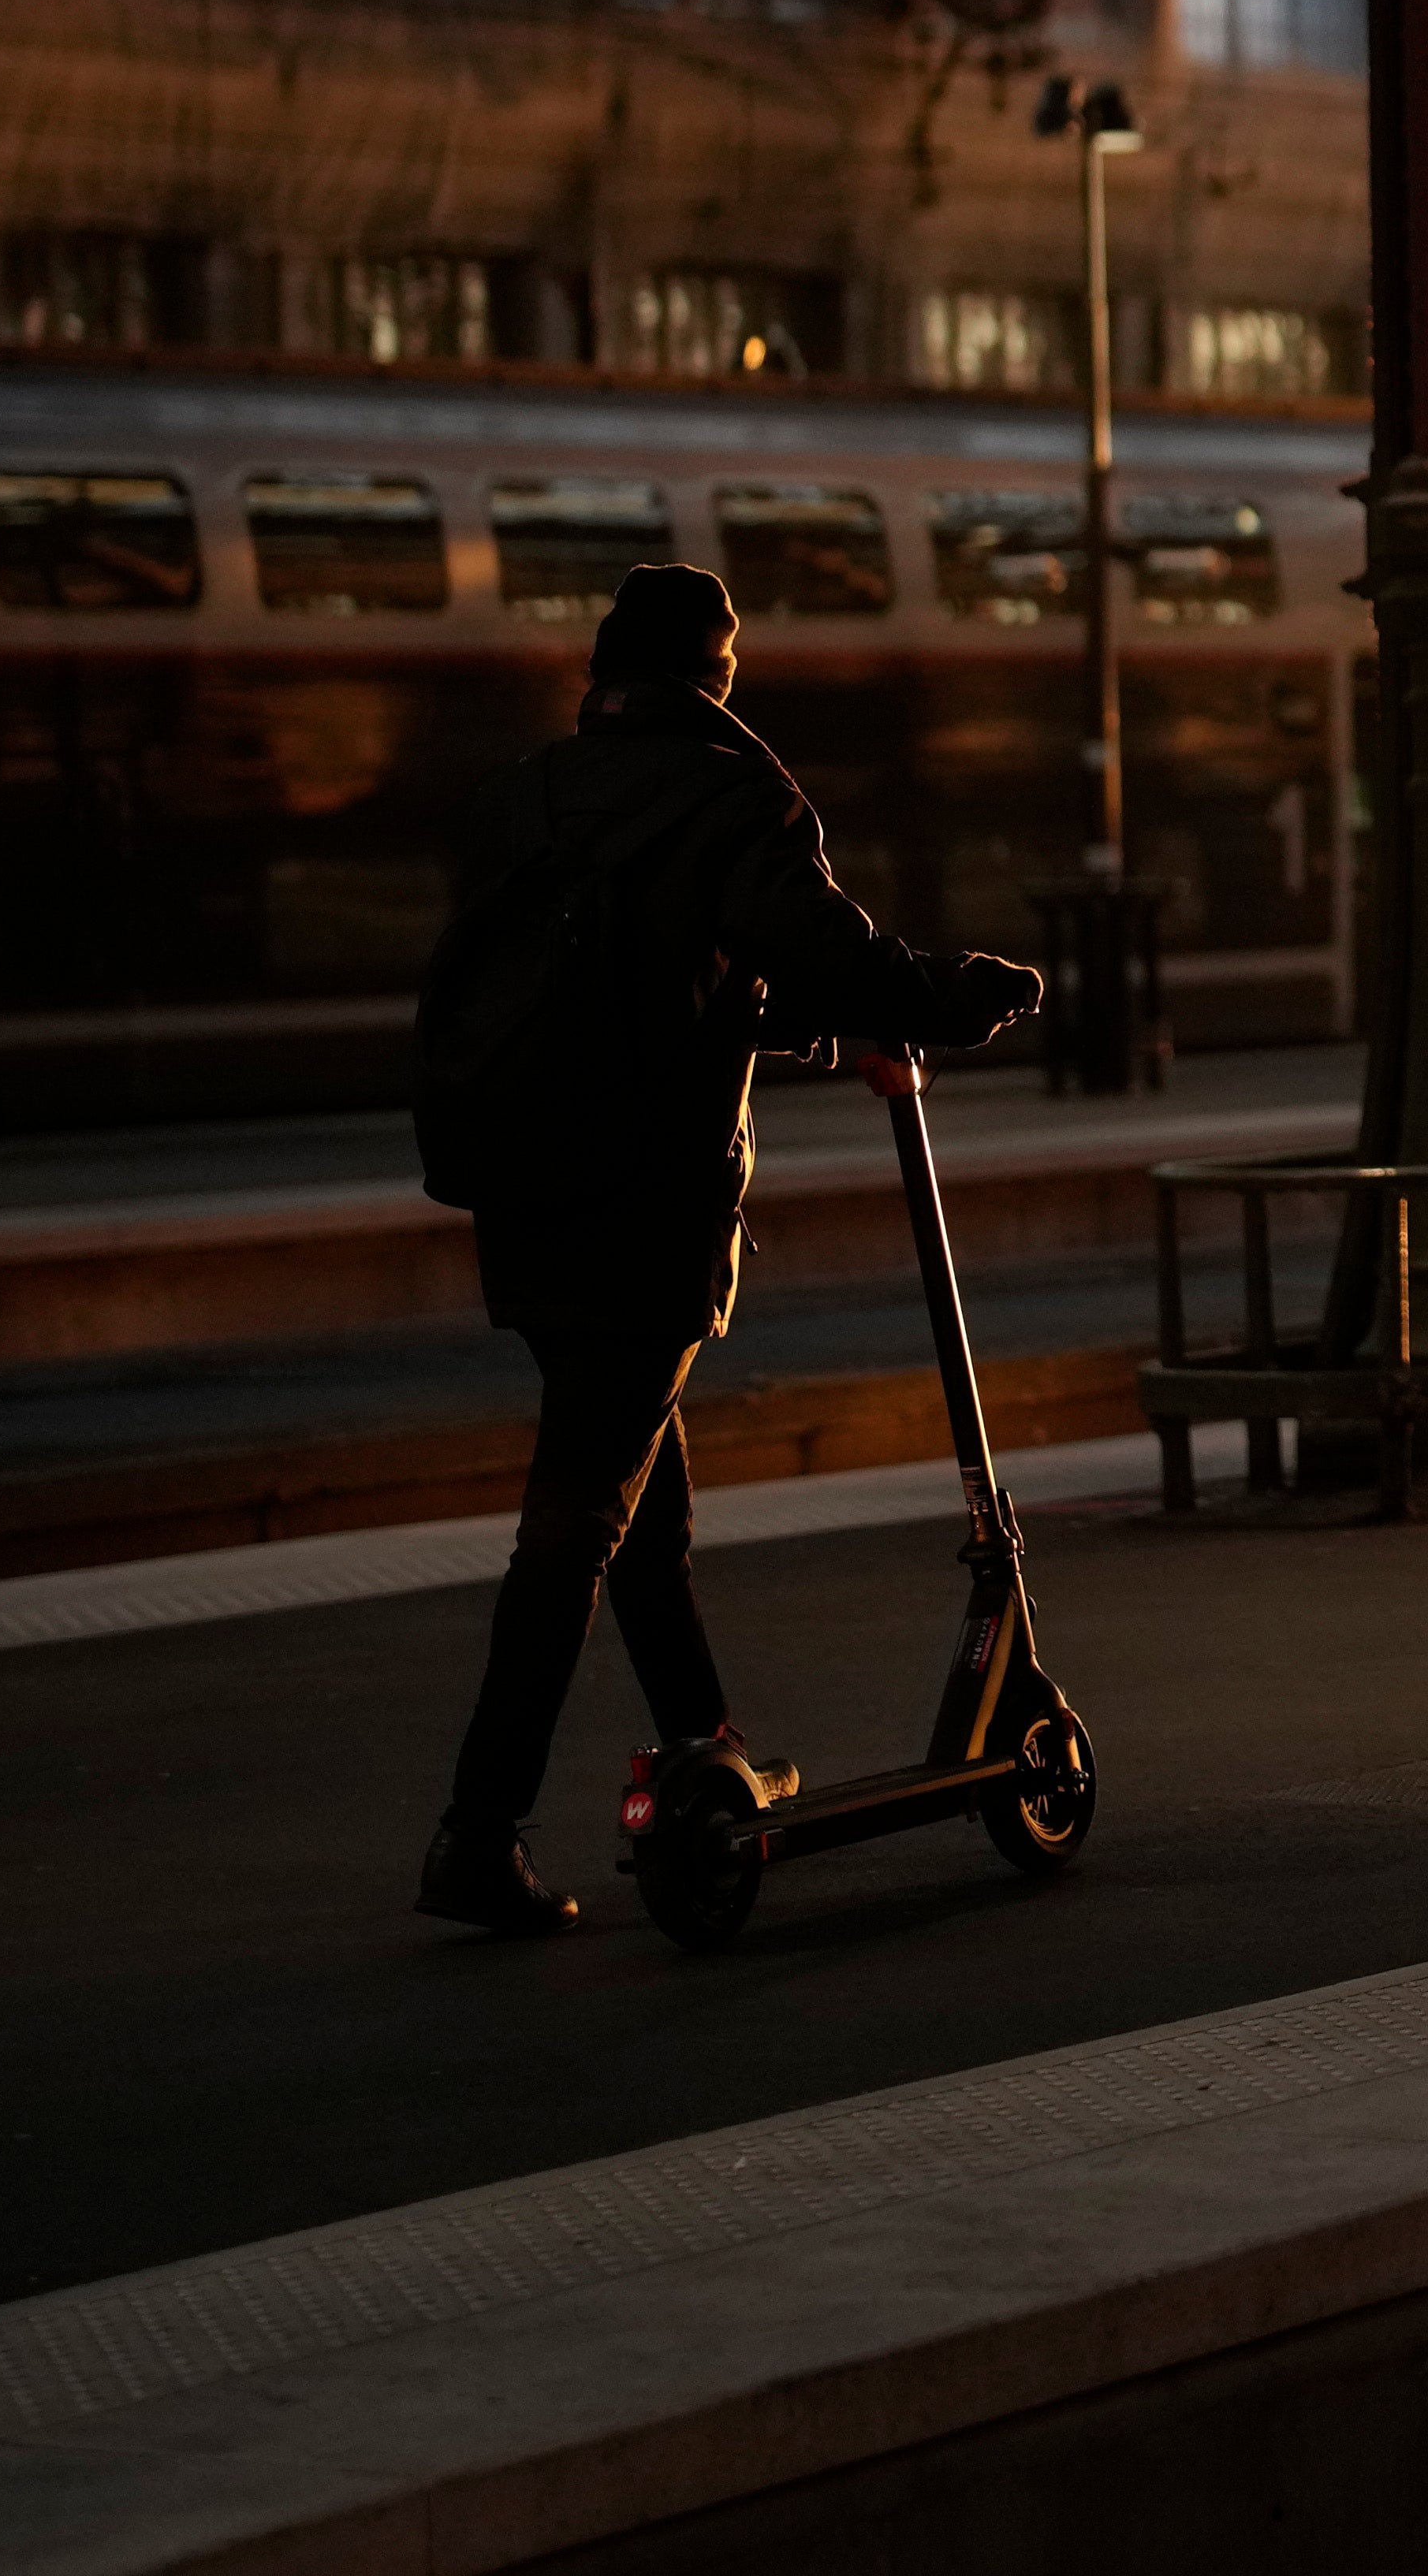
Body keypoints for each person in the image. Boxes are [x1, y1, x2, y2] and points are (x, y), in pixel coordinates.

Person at [413, 560, 1042, 1934]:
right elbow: (826, 953)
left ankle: (708, 1748)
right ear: (719, 674)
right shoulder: (731, 794)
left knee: (643, 1511)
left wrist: (773, 1021)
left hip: (523, 1200)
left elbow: (622, 985)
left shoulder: (526, 796)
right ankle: (478, 1831)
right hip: (646, 1210)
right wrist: (953, 996)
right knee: (578, 1525)